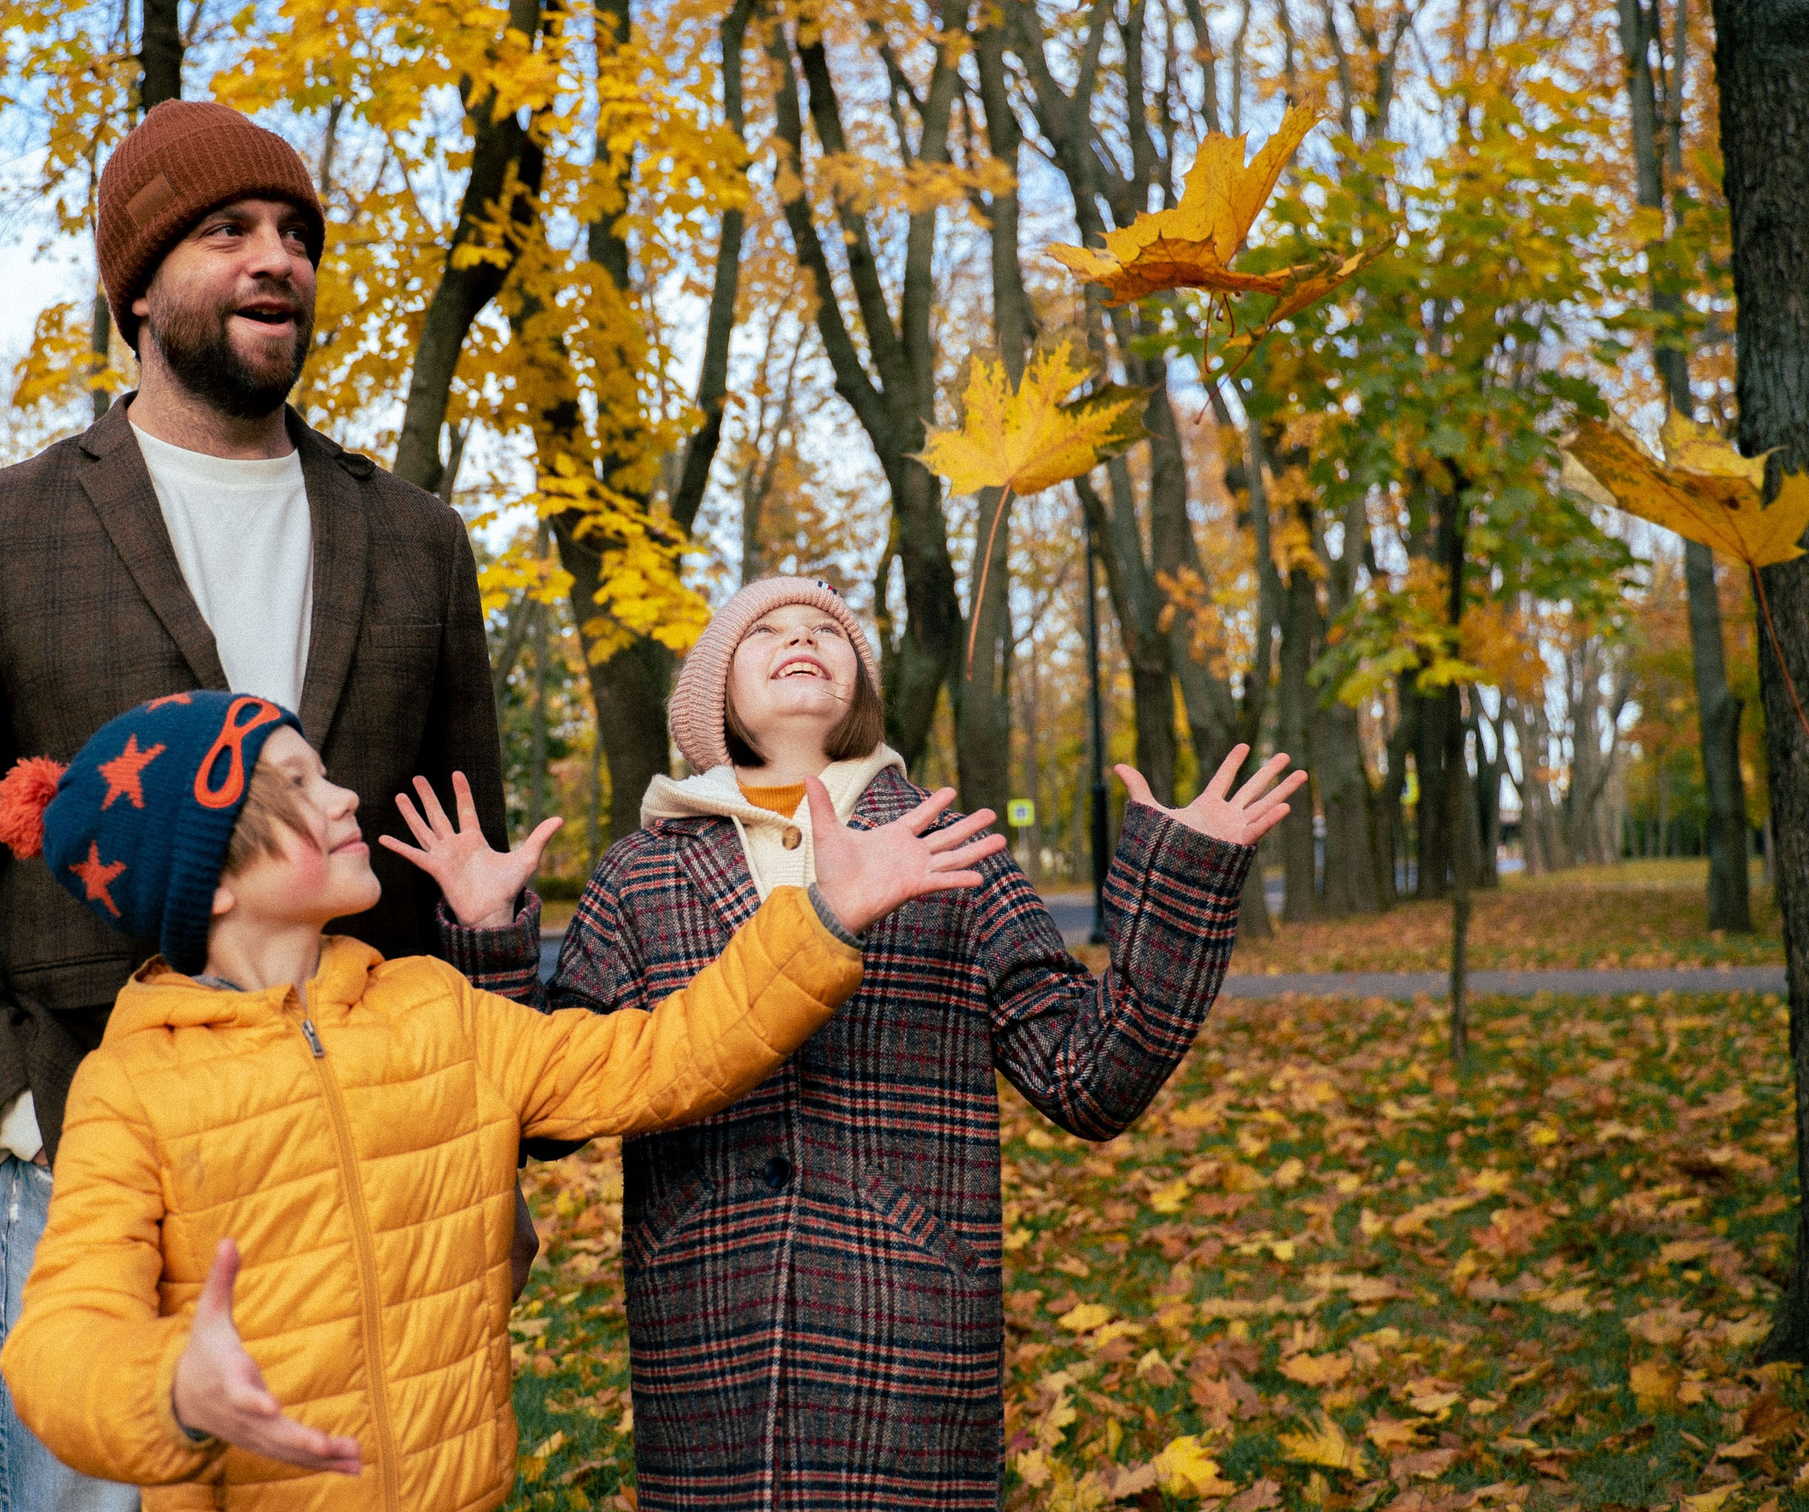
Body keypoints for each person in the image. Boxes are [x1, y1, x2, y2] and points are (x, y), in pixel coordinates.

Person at [0, 101, 516, 1512]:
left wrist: (476, 1130)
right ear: (135, 288)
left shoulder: (415, 536)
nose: (277, 259)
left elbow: (459, 850)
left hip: (374, 1143)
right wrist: (32, 1111)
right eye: (228, 233)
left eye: (296, 235)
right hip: (110, 1148)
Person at [0, 689, 1007, 1510]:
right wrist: (172, 1385)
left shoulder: (434, 1008)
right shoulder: (133, 1083)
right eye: (297, 782)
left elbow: (659, 1059)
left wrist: (822, 917)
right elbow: (60, 1340)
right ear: (207, 874)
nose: (346, 797)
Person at [431, 575, 1306, 1510]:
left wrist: (1182, 883)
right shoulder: (643, 873)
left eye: (828, 629)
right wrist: (489, 934)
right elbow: (549, 1103)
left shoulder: (947, 847)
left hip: (909, 1303)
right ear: (713, 693)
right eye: (766, 629)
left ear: (861, 686)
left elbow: (1086, 1077)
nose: (802, 637)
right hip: (706, 1313)